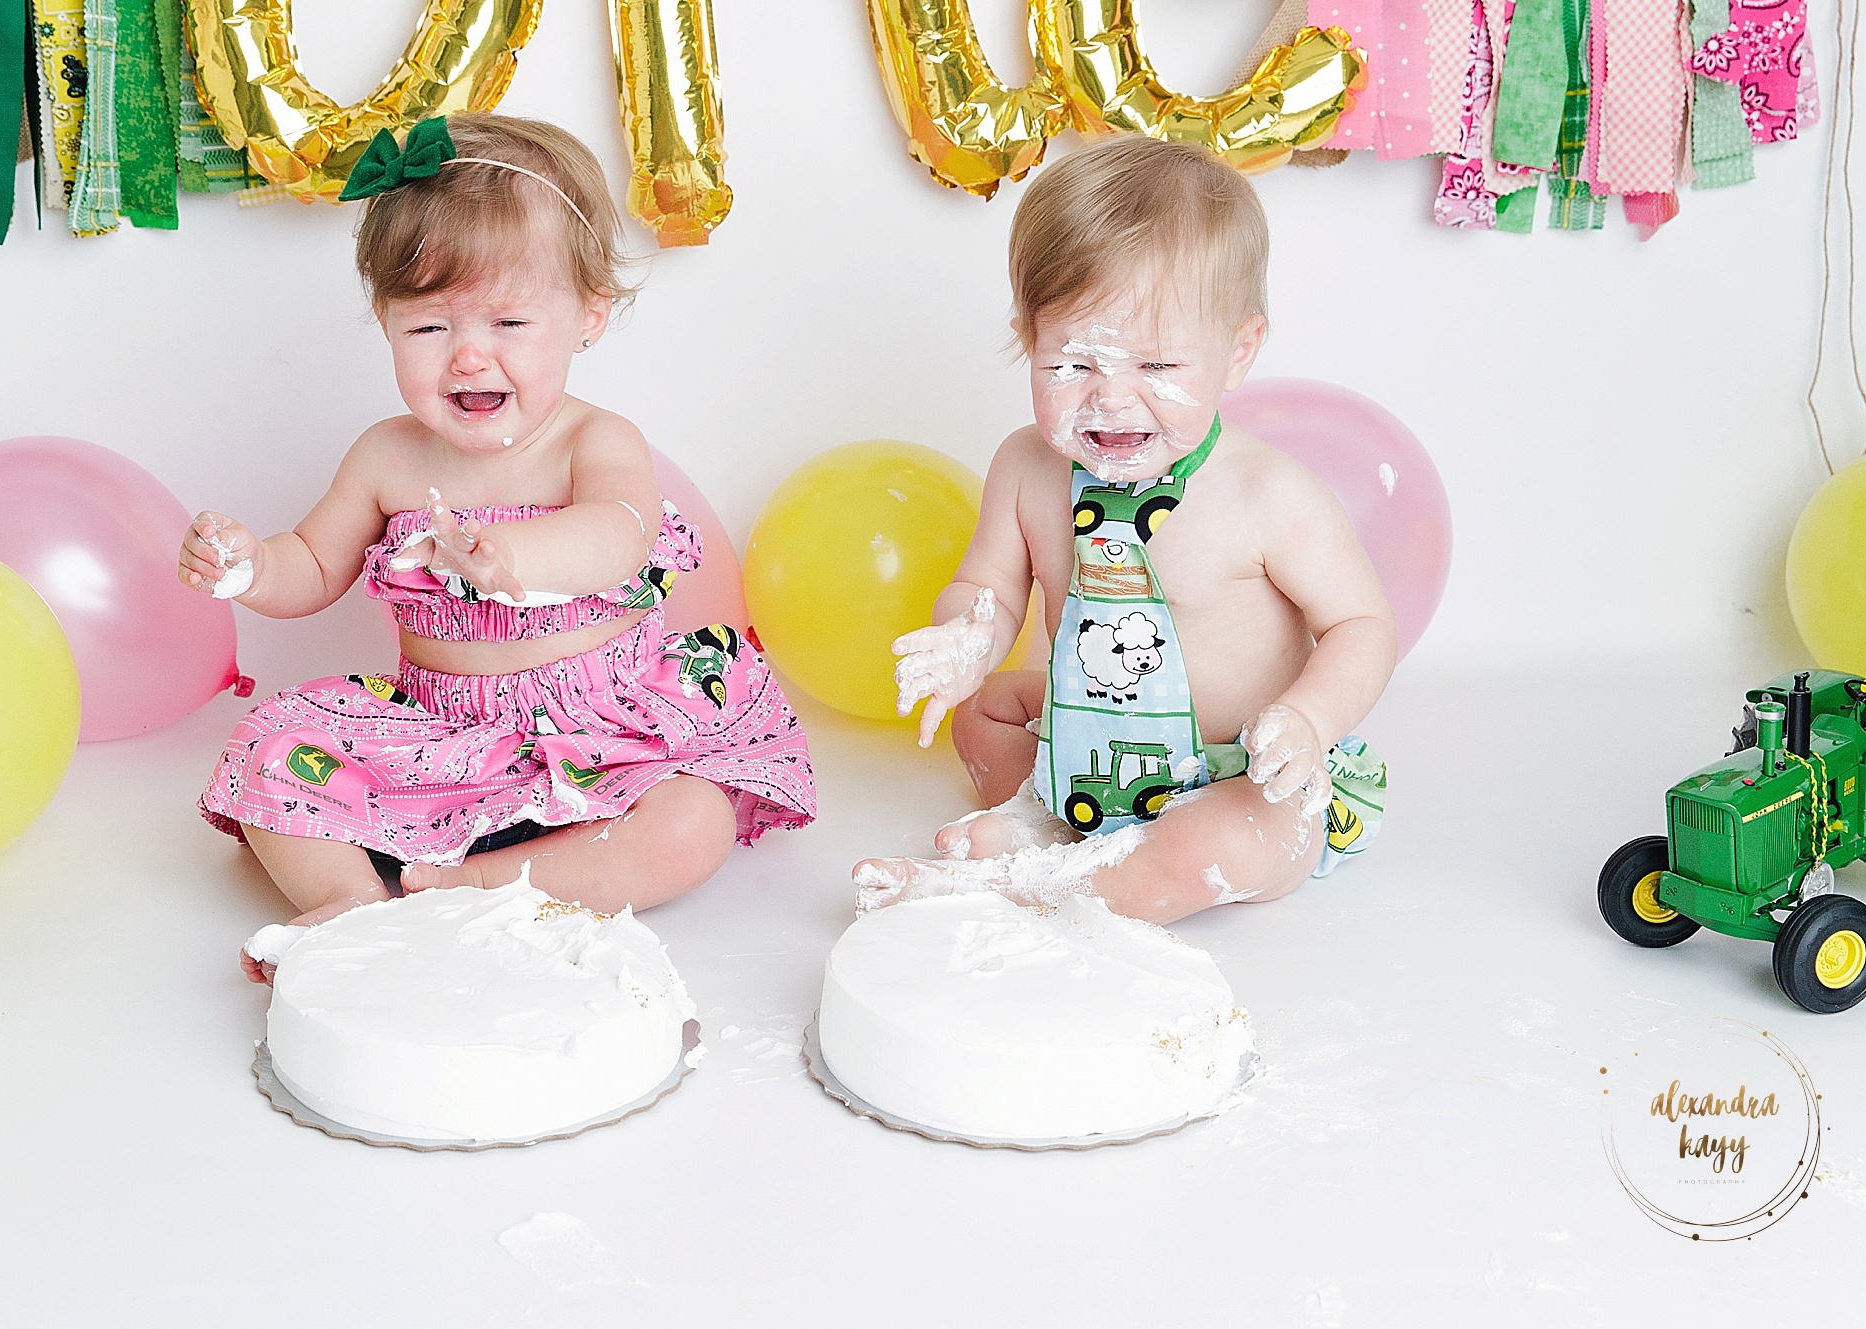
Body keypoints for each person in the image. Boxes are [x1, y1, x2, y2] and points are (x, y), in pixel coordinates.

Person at [183, 114, 814, 981]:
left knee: (691, 824)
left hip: (604, 738)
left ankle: (465, 883)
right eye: (429, 329)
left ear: (588, 317)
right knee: (266, 753)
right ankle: (355, 903)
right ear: (384, 322)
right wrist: (251, 565)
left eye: (510, 321)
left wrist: (516, 560)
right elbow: (315, 562)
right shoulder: (387, 455)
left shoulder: (592, 440)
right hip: (441, 735)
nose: (470, 355)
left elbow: (622, 534)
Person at [856, 135, 1393, 923]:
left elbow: (1360, 623)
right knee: (988, 709)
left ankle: (1025, 888)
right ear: (1028, 339)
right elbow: (988, 588)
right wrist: (964, 637)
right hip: (1086, 752)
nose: (1110, 399)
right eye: (1071, 364)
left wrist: (1308, 719)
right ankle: (1047, 818)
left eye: (1157, 367)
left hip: (1236, 769)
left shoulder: (1266, 492)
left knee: (1236, 841)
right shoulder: (1025, 468)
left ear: (1237, 352)